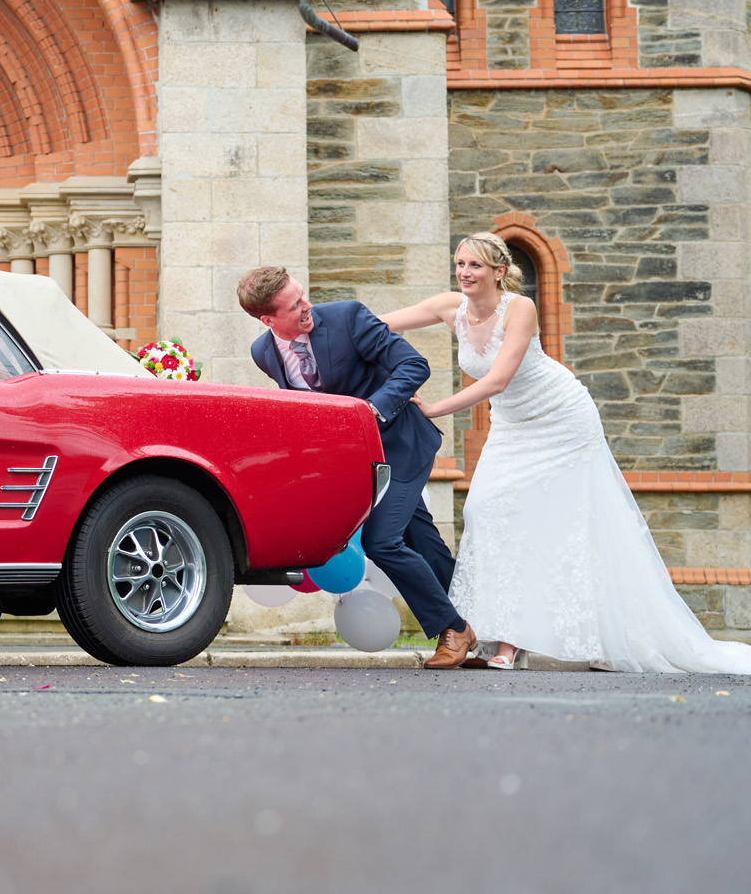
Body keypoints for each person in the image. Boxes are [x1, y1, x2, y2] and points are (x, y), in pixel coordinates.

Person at [380, 233, 751, 673]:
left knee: (569, 525)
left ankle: (562, 640)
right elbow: (376, 324)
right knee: (484, 509)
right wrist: (316, 320)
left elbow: (497, 380)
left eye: (475, 265)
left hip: (562, 420)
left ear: (499, 271)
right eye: (460, 263)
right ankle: (501, 632)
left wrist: (434, 408)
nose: (464, 272)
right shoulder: (450, 307)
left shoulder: (520, 308)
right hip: (512, 427)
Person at [237, 267, 476, 669]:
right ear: (268, 320)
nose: (307, 305)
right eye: (294, 305)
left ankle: (454, 628)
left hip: (400, 444)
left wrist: (370, 412)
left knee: (382, 541)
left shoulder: (348, 317)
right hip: (355, 461)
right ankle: (480, 613)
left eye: (303, 295)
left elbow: (413, 365)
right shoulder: (263, 352)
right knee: (420, 539)